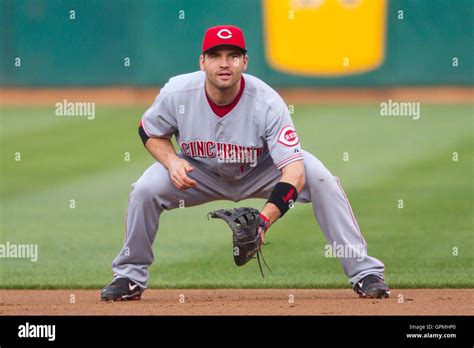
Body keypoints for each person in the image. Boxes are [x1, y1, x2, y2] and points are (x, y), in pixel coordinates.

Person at [100, 25, 389, 301]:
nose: (224, 63)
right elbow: (148, 131)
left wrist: (263, 222)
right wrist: (171, 161)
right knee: (145, 190)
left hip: (261, 170)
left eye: (233, 56)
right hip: (197, 171)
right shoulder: (178, 93)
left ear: (245, 62)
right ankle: (129, 277)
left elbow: (294, 172)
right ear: (202, 62)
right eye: (215, 55)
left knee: (323, 180)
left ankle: (364, 272)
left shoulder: (267, 102)